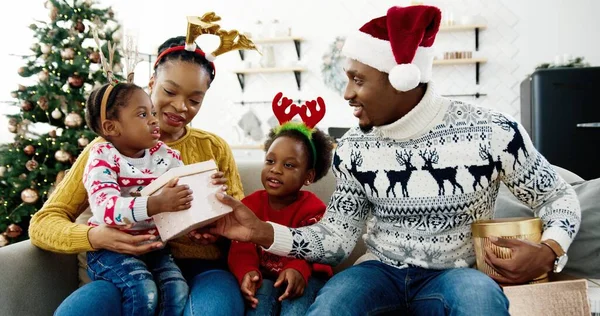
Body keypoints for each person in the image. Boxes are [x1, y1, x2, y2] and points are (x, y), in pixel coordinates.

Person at [208, 5, 581, 316]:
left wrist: (550, 251)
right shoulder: (354, 147)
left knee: (480, 302)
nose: (347, 92)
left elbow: (557, 197)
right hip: (377, 271)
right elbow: (336, 239)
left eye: (358, 79)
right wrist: (260, 231)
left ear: (402, 78)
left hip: (455, 274)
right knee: (328, 309)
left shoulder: (493, 131)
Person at [30, 34, 247, 315]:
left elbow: (243, 223)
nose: (181, 107)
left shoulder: (212, 147)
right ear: (152, 84)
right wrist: (96, 237)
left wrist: (215, 224)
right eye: (170, 92)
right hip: (125, 264)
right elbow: (43, 223)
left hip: (203, 270)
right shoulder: (107, 150)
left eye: (195, 100)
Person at [83, 81, 192, 315]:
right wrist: (155, 203)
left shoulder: (167, 156)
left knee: (177, 289)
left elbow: (186, 194)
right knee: (142, 290)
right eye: (143, 114)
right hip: (110, 252)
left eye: (152, 112)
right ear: (111, 127)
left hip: (155, 248)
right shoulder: (102, 157)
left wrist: (204, 208)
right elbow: (104, 209)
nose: (154, 119)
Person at [228, 96, 334, 315]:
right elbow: (241, 247)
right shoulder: (250, 205)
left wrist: (297, 268)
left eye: (288, 165)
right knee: (261, 294)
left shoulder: (313, 209)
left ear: (308, 176)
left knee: (297, 302)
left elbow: (316, 250)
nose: (275, 169)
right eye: (270, 161)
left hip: (305, 276)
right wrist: (248, 272)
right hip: (266, 278)